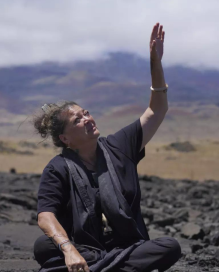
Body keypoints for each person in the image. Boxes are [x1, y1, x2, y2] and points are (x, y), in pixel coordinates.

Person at [33, 23, 181, 272]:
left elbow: (157, 110)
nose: (87, 119)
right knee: (44, 246)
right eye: (77, 120)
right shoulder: (58, 168)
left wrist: (156, 63)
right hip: (84, 249)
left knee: (169, 246)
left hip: (128, 245)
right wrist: (69, 249)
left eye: (86, 113)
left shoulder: (119, 146)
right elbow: (45, 216)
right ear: (65, 139)